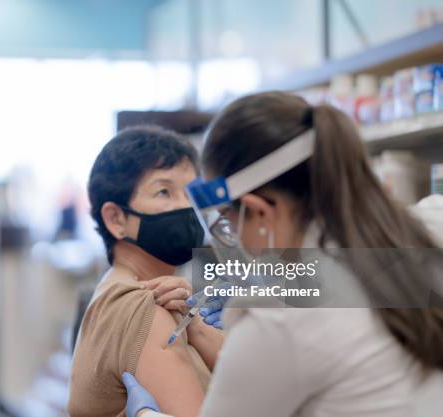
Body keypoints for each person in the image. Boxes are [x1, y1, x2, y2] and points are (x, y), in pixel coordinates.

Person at [122, 92, 443, 417]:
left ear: (259, 212)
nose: (230, 234)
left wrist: (146, 414)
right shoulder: (429, 227)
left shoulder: (280, 321)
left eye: (229, 219)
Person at [68, 126, 223, 417]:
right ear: (116, 219)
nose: (184, 206)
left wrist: (199, 327)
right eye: (164, 191)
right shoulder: (145, 305)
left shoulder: (159, 295)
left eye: (190, 194)